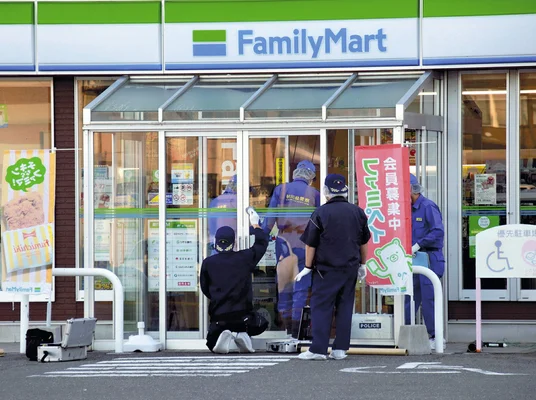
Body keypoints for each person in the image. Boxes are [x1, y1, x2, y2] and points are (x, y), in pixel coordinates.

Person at [297, 174, 370, 360]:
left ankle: (319, 349)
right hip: (350, 268)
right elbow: (364, 242)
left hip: (326, 270)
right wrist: (363, 264)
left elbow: (310, 244)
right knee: (345, 306)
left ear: (326, 192)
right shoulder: (358, 212)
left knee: (321, 307)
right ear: (345, 190)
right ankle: (340, 349)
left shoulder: (320, 213)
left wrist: (307, 267)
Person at [200, 207, 269, 354]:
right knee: (262, 323)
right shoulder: (245, 258)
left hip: (219, 316)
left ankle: (224, 332)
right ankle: (240, 333)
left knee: (211, 345)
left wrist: (218, 297)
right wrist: (255, 224)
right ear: (234, 242)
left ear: (215, 242)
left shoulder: (208, 263)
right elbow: (262, 243)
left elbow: (205, 288)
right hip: (243, 317)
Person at [263, 160, 320, 337]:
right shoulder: (315, 194)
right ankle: (297, 331)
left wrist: (262, 234)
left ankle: (286, 328)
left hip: (283, 243)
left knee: (285, 286)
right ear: (311, 177)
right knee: (301, 287)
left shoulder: (282, 189)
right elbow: (320, 222)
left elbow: (271, 217)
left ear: (295, 173)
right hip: (305, 244)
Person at [404, 173, 446, 350]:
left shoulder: (428, 207)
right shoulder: (407, 208)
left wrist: (419, 244)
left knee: (429, 298)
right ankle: (405, 333)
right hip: (413, 258)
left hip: (429, 257)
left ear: (411, 189)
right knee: (409, 297)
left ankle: (435, 336)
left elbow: (438, 231)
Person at [208, 175, 238, 253]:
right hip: (233, 249)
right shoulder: (237, 201)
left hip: (216, 247)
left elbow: (210, 225)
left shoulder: (215, 201)